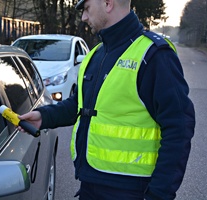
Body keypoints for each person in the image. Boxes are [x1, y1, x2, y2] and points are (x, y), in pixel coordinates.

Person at [18, 0, 196, 199]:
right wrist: (44, 117)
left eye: (87, 9)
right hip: (91, 185)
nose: (84, 17)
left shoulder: (154, 55)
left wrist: (159, 194)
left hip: (134, 191)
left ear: (108, 3)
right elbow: (80, 105)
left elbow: (179, 127)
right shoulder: (97, 54)